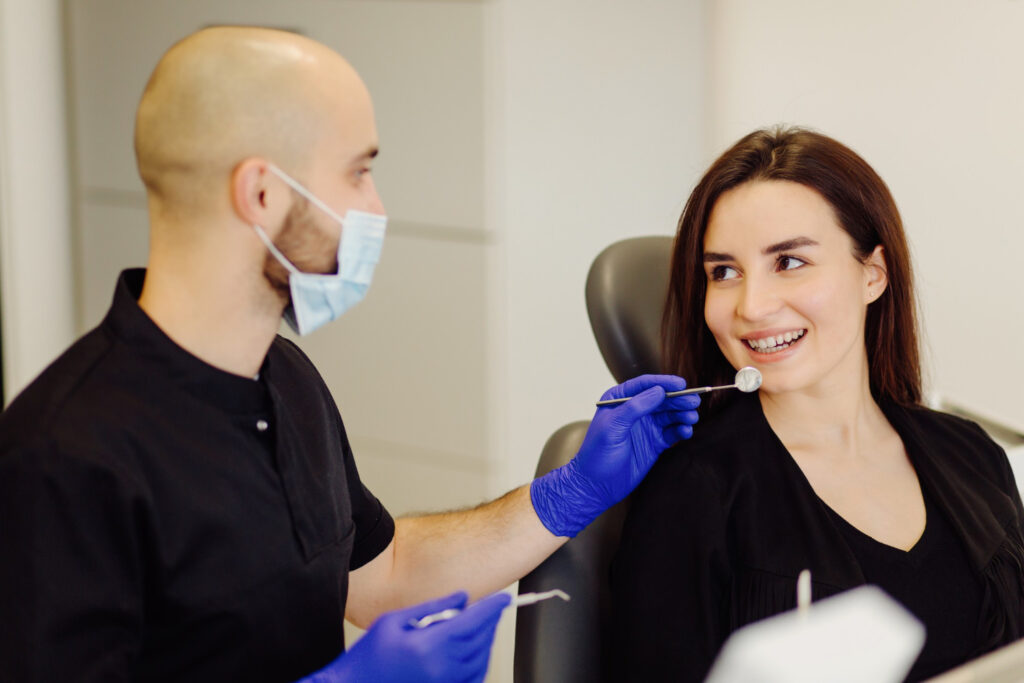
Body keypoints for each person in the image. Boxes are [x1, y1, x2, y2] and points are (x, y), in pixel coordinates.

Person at [0, 27, 701, 683]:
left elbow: (383, 571)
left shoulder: (285, 379)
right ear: (263, 192)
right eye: (358, 171)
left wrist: (569, 493)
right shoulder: (64, 456)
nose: (377, 207)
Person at [609, 126, 1024, 682]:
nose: (752, 307)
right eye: (724, 272)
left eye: (789, 261)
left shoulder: (973, 456)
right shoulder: (693, 491)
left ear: (872, 274)